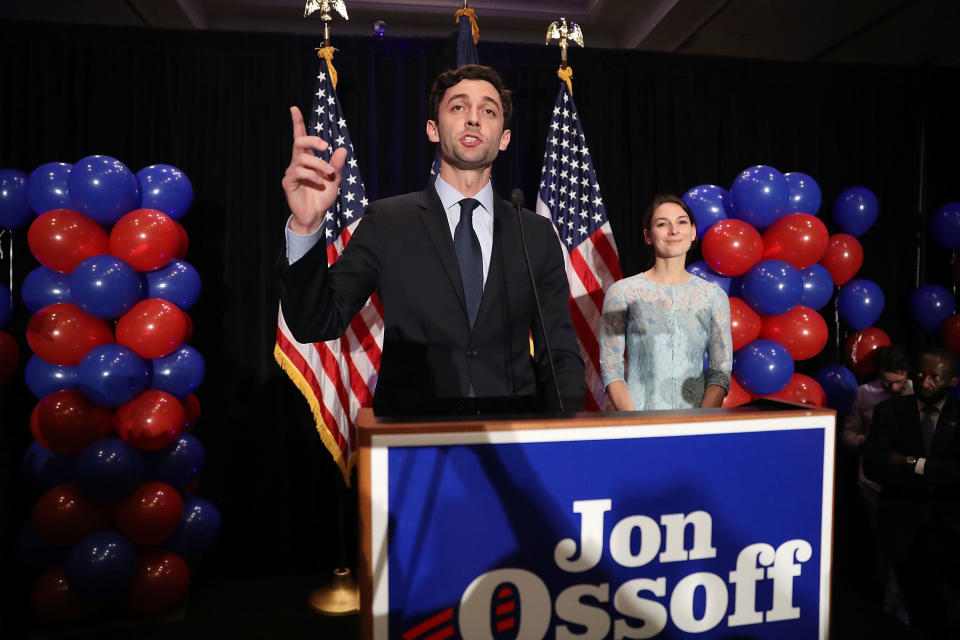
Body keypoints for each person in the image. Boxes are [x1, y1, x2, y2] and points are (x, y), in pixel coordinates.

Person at [278, 64, 585, 415]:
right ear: (433, 130)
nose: (473, 119)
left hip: (511, 438)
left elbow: (559, 352)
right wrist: (306, 225)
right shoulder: (387, 221)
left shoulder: (535, 233)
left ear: (504, 138)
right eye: (458, 107)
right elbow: (316, 322)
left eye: (488, 110)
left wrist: (570, 438)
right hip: (413, 439)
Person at [598, 194, 732, 411]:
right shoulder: (620, 293)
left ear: (693, 232)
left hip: (696, 426)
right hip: (638, 425)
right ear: (648, 236)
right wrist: (635, 422)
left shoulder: (714, 296)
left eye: (681, 222)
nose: (674, 230)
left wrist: (703, 421)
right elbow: (610, 367)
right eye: (662, 224)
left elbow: (720, 371)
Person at [864, 347, 960, 636]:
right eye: (919, 374)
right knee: (919, 610)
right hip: (905, 528)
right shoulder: (889, 412)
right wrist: (936, 470)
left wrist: (909, 462)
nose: (925, 382)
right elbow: (874, 466)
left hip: (953, 530)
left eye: (935, 377)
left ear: (952, 381)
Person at [840, 346, 912, 616]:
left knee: (906, 542)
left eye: (900, 381)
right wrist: (867, 443)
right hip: (872, 482)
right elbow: (848, 433)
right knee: (885, 542)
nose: (894, 387)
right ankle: (890, 601)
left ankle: (899, 601)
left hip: (908, 482)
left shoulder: (919, 391)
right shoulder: (864, 395)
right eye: (887, 382)